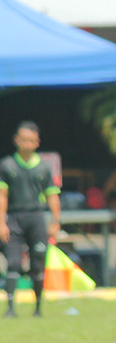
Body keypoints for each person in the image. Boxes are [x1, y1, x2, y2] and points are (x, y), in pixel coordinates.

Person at [0, 121, 61, 318]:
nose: (27, 144)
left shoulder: (43, 167)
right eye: (24, 140)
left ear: (37, 143)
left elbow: (52, 195)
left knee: (37, 264)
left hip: (36, 218)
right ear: (16, 140)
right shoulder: (7, 166)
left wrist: (56, 221)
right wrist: (1, 223)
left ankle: (38, 308)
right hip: (14, 218)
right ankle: (10, 309)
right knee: (14, 263)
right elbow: (2, 196)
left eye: (31, 141)